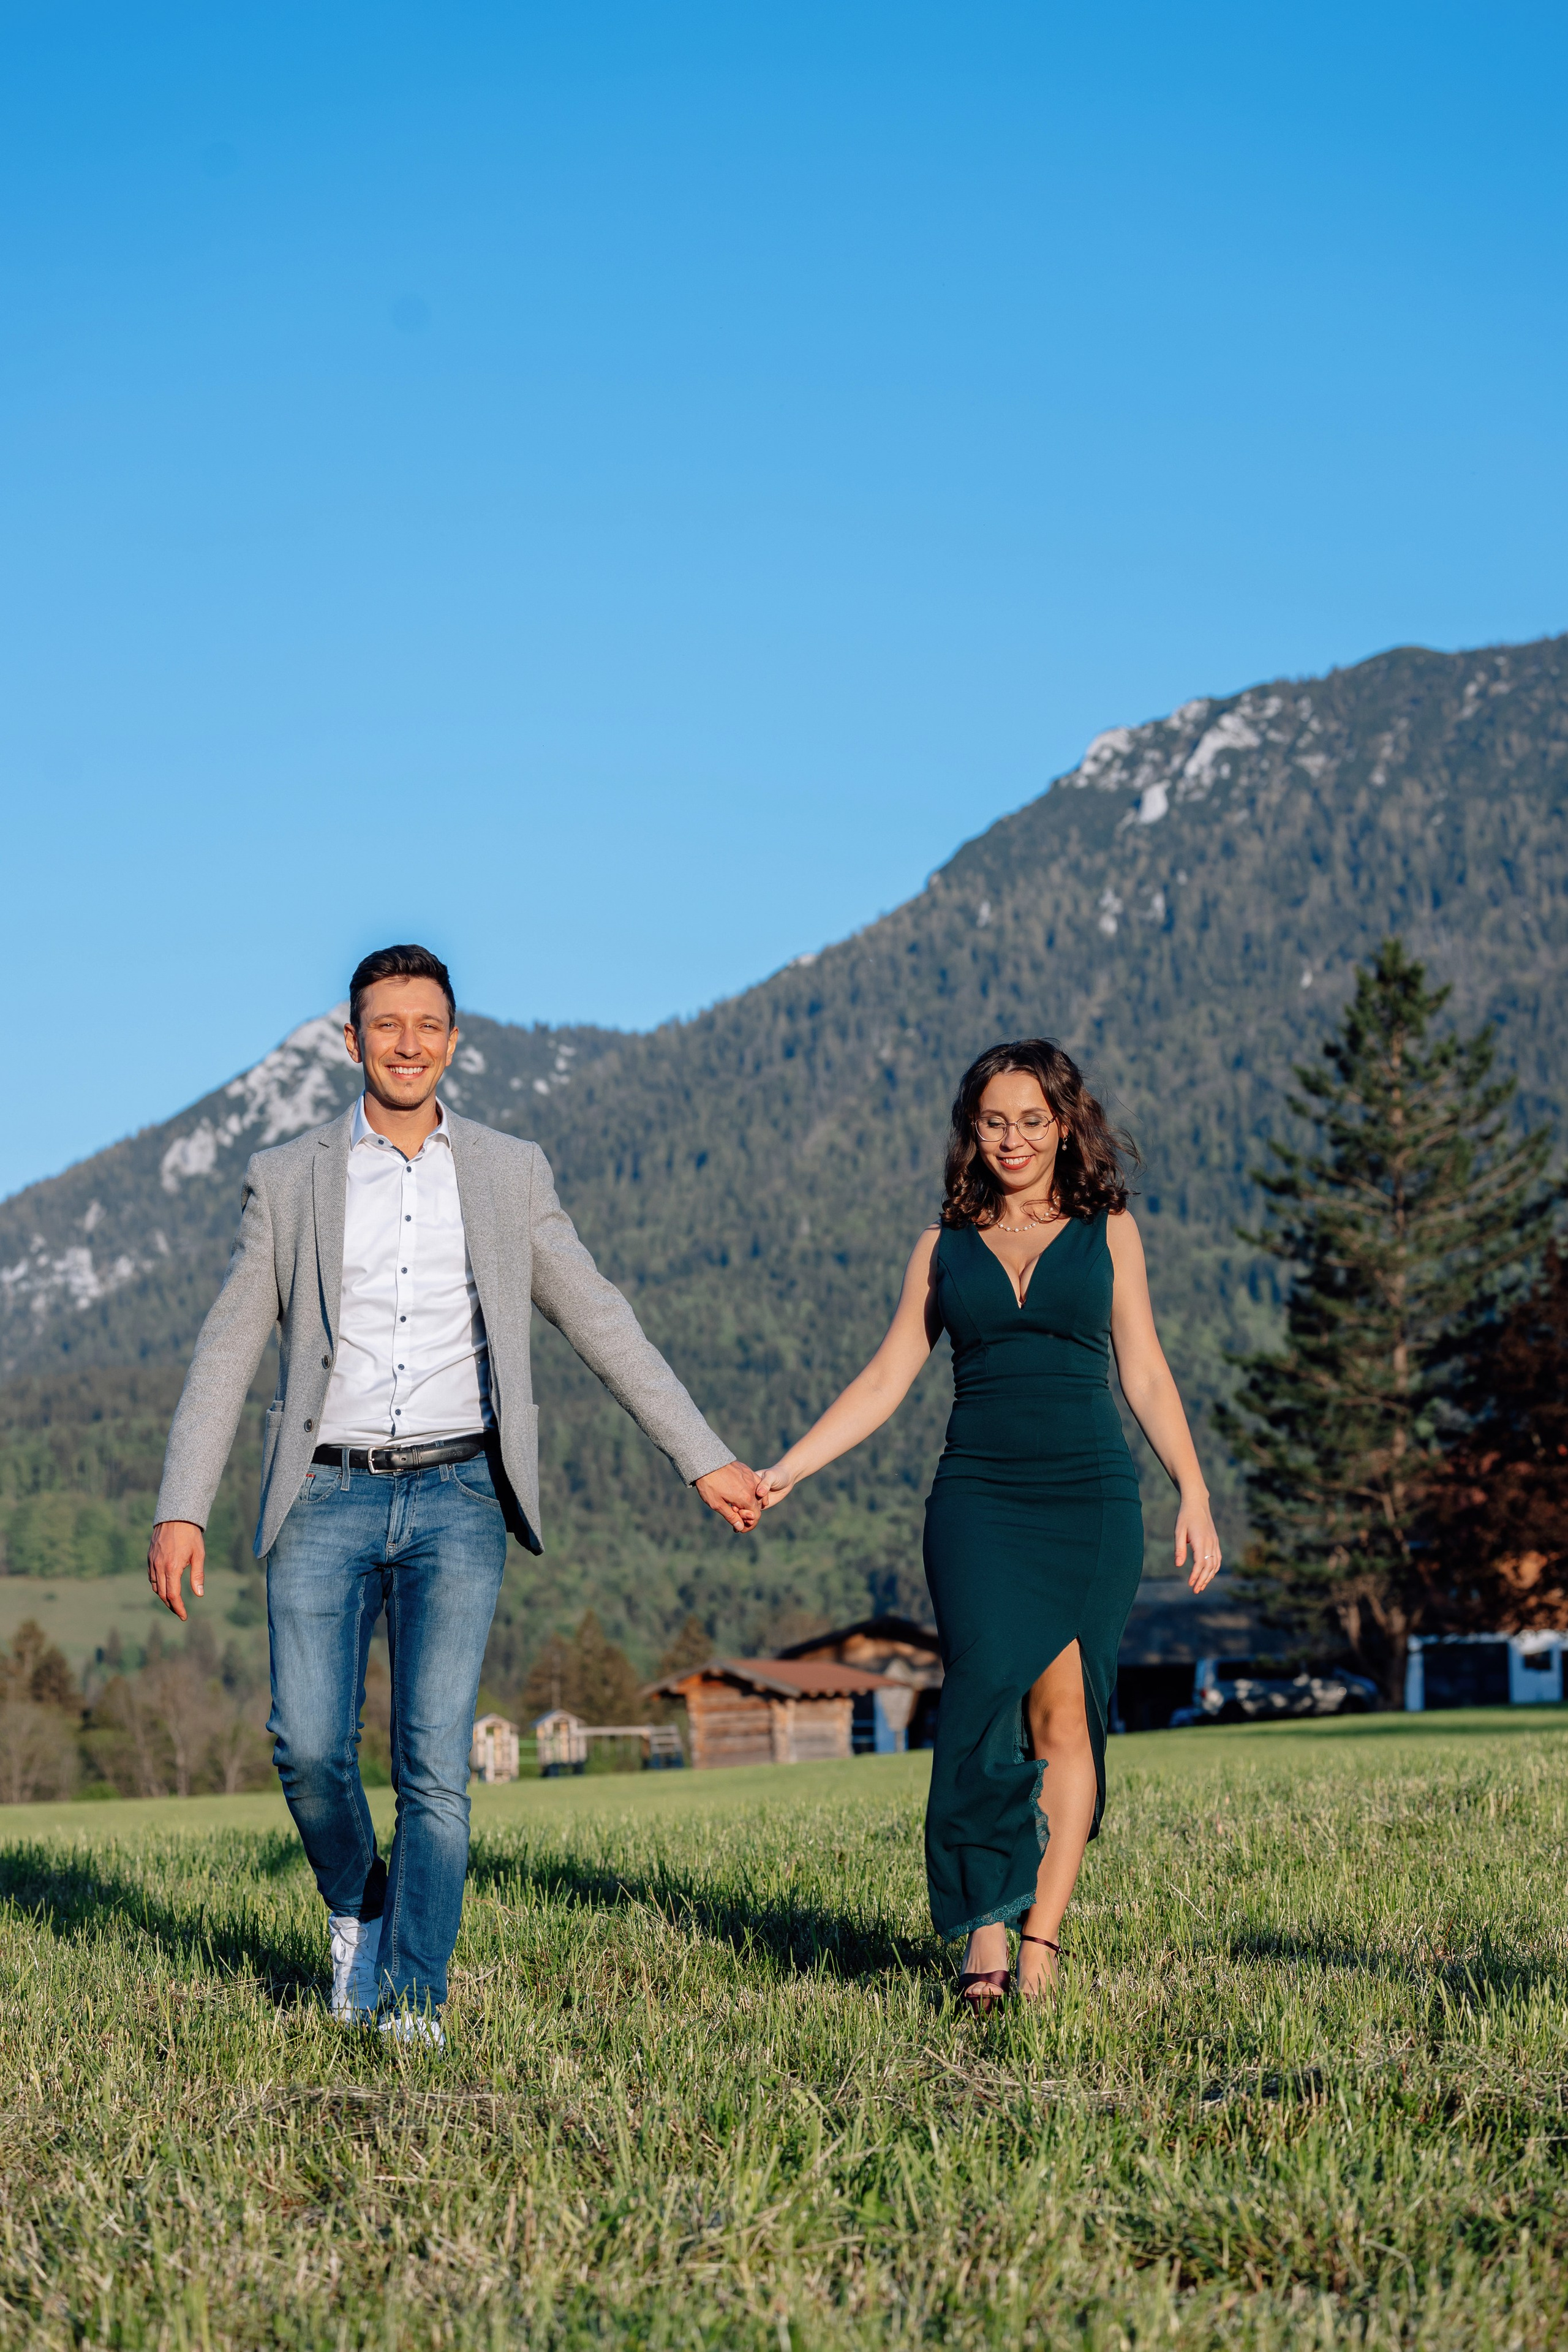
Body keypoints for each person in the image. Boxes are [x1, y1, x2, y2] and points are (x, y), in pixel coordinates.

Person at [148, 943, 760, 2046]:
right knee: (309, 1748)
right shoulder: (288, 1180)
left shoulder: (507, 1169)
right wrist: (180, 1504)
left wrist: (701, 1454)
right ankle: (360, 1911)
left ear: (454, 1041)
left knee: (436, 1761)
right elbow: (229, 1343)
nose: (408, 1044)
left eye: (428, 1025)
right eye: (386, 1026)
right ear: (352, 1041)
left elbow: (600, 1318)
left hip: (460, 1497)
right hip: (323, 1497)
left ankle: (413, 2003)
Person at [754, 1038, 1221, 2007]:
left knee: (1062, 1717)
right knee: (977, 1710)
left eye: (1031, 1121)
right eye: (993, 1121)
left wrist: (1195, 1488)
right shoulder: (942, 1248)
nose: (1011, 1140)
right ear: (973, 1129)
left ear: (1065, 1126)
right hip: (976, 1502)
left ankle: (1039, 1942)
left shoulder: (1110, 1230)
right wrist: (790, 1464)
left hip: (1091, 1499)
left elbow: (1145, 1371)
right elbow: (887, 1378)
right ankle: (984, 1934)